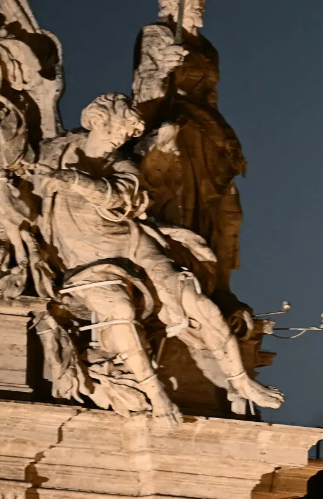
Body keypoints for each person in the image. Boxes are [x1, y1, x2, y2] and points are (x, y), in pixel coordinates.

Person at [28, 93, 282, 424]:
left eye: (124, 137)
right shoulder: (55, 151)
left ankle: (240, 380)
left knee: (196, 300)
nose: (118, 142)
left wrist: (70, 179)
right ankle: (157, 396)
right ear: (95, 122)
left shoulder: (123, 165)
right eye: (115, 133)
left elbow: (120, 196)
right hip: (84, 262)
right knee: (119, 309)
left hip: (131, 246)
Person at [132, 0, 245, 297]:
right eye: (193, 2)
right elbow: (143, 88)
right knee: (182, 198)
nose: (200, 7)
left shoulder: (208, 49)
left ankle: (213, 281)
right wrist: (162, 72)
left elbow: (211, 99)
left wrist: (227, 138)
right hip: (178, 125)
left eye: (201, 3)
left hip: (206, 133)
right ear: (171, 4)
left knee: (217, 207)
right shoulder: (157, 34)